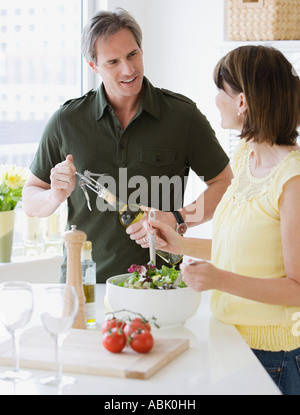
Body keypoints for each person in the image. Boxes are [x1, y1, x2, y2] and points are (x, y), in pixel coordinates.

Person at [22, 8, 232, 283]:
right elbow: (30, 198)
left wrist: (179, 217)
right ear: (93, 66)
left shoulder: (183, 116)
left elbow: (225, 185)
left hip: (161, 283)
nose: (128, 69)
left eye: (132, 55)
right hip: (84, 286)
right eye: (113, 61)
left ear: (142, 51)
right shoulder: (66, 121)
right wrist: (54, 196)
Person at [143, 45, 300, 395]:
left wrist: (219, 280)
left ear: (242, 102)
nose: (216, 99)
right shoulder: (246, 157)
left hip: (275, 356)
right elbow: (244, 251)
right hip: (230, 339)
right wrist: (179, 243)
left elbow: (297, 288)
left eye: (221, 90)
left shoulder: (292, 181)